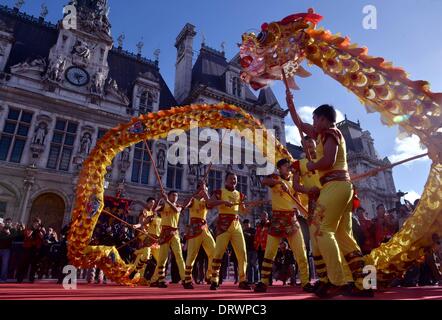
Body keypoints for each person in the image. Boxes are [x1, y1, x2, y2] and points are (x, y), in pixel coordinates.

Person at [292, 104, 374, 297]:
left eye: (314, 119)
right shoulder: (322, 135)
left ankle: (338, 282)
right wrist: (290, 105)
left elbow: (328, 161)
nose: (312, 123)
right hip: (340, 188)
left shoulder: (331, 133)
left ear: (322, 119)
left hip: (335, 185)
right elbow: (300, 124)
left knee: (321, 230)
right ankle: (365, 283)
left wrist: (312, 164)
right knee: (344, 236)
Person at [254, 159, 313, 293]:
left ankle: (305, 282)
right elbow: (264, 181)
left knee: (301, 252)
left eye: (289, 166)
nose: (288, 168)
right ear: (279, 169)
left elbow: (297, 201)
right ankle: (263, 282)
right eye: (285, 166)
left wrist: (307, 214)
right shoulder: (275, 178)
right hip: (277, 219)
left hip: (291, 220)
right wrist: (280, 182)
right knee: (269, 253)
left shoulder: (294, 182)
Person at [207, 171, 251, 290]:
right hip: (223, 225)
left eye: (235, 179)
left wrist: (248, 206)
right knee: (218, 253)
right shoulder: (220, 192)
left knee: (242, 253)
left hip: (236, 225)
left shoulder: (240, 194)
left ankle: (243, 280)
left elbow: (244, 211)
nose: (233, 181)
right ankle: (214, 280)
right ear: (225, 180)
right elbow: (209, 203)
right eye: (231, 179)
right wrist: (223, 202)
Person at [150, 191, 187, 288]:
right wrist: (159, 198)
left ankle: (185, 279)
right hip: (164, 233)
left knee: (179, 256)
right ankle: (160, 280)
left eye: (176, 195)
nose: (175, 197)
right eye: (173, 195)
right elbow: (153, 209)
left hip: (174, 233)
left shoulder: (178, 206)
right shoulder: (163, 206)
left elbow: (176, 210)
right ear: (169, 196)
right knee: (162, 258)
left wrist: (167, 201)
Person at [183, 181, 216, 289]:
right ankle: (187, 279)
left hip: (204, 228)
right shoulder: (193, 199)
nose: (204, 191)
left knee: (214, 251)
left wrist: (205, 193)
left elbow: (210, 204)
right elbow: (185, 205)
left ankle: (209, 275)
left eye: (206, 189)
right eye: (202, 189)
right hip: (194, 228)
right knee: (192, 255)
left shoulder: (206, 200)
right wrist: (195, 194)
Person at [16, 217, 46, 283]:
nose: (37, 224)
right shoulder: (29, 228)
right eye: (35, 223)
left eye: (38, 223)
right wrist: (33, 229)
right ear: (33, 223)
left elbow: (43, 237)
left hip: (36, 249)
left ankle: (31, 278)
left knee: (34, 265)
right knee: (24, 264)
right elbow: (28, 235)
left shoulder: (40, 230)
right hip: (27, 249)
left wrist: (40, 231)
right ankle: (19, 278)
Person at [254, 212, 271, 284]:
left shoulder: (270, 224)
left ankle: (269, 280)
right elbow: (256, 235)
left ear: (267, 217)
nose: (263, 217)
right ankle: (262, 280)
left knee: (268, 263)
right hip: (259, 247)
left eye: (264, 216)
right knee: (261, 264)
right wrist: (255, 245)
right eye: (261, 216)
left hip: (267, 246)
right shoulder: (258, 225)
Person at [243, 219, 258, 284]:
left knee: (254, 265)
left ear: (249, 224)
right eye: (245, 225)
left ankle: (256, 280)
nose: (246, 225)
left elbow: (257, 237)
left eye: (247, 224)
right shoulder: (243, 231)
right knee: (249, 265)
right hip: (247, 250)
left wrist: (249, 235)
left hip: (254, 250)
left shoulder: (254, 230)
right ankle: (250, 280)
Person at [0, 218, 15, 282]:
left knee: (4, 264)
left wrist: (9, 234)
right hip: (0, 248)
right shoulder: (2, 229)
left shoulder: (13, 229)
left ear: (11, 223)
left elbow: (14, 237)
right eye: (7, 222)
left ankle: (3, 278)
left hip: (7, 249)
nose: (7, 223)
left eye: (9, 222)